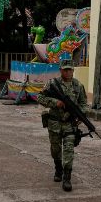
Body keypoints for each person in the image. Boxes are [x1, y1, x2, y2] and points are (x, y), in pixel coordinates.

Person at [37, 59, 87, 192]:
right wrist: (55, 102)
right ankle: (58, 169)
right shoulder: (52, 84)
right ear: (61, 70)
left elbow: (83, 104)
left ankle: (67, 178)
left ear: (73, 70)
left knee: (69, 150)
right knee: (55, 149)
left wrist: (80, 116)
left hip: (70, 124)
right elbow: (40, 97)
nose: (68, 72)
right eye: (65, 69)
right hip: (54, 123)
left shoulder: (78, 86)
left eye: (70, 69)